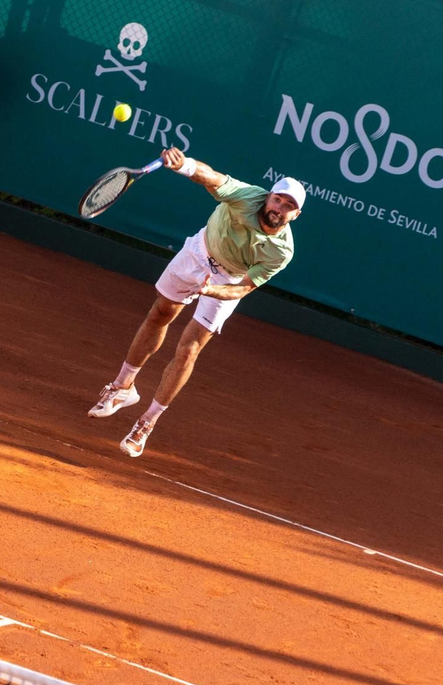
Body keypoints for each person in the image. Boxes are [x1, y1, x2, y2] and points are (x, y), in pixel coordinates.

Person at [89, 147, 305, 458]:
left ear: (295, 215)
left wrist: (212, 292)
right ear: (268, 197)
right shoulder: (248, 195)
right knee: (160, 312)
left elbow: (243, 289)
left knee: (189, 348)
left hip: (227, 281)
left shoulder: (281, 252)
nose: (279, 208)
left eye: (289, 206)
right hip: (199, 252)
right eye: (278, 199)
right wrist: (184, 165)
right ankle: (123, 388)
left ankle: (147, 422)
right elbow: (212, 178)